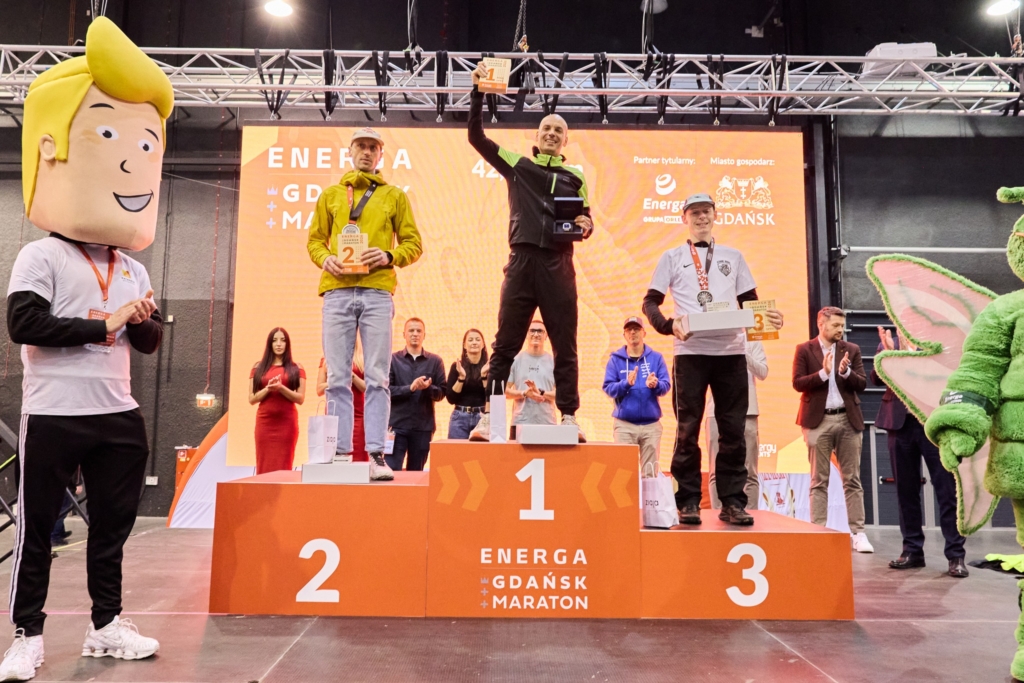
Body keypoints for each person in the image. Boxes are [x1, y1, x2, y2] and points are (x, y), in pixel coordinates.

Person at [1, 17, 169, 679]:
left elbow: (147, 342)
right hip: (54, 411)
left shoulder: (132, 266)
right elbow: (23, 323)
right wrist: (103, 324)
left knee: (113, 529)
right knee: (38, 527)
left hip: (117, 412)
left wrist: (142, 320)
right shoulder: (40, 254)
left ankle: (105, 624)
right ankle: (26, 635)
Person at [466, 62, 594, 443]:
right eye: (546, 129)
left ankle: (568, 417)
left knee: (566, 344)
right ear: (536, 138)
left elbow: (585, 220)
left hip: (559, 263)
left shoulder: (576, 177)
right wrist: (477, 94)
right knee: (504, 344)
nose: (552, 133)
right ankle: (489, 417)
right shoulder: (518, 165)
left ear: (565, 141)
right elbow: (476, 137)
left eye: (558, 130)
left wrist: (586, 225)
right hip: (521, 261)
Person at [642, 193, 784, 527]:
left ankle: (733, 502)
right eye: (694, 212)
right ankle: (688, 501)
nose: (701, 217)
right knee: (687, 429)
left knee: (733, 430)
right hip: (690, 353)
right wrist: (668, 325)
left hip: (731, 353)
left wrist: (769, 319)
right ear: (684, 218)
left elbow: (750, 301)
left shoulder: (734, 256)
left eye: (706, 211)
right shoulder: (671, 257)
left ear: (715, 215)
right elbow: (650, 302)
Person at [307, 126, 423, 481]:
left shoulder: (394, 196)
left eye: (374, 147)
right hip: (337, 292)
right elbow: (314, 241)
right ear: (351, 151)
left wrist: (389, 256)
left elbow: (413, 244)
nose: (367, 152)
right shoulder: (330, 195)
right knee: (338, 378)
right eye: (361, 146)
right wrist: (324, 258)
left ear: (381, 154)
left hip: (376, 292)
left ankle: (375, 455)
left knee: (377, 378)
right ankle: (340, 454)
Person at [873, 327, 967, 576]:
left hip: (934, 423)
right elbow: (876, 378)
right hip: (899, 424)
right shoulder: (890, 343)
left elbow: (947, 376)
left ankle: (956, 555)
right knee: (906, 491)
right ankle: (912, 550)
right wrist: (889, 357)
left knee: (948, 491)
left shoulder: (940, 343)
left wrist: (912, 355)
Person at [792, 307, 873, 553]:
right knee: (818, 480)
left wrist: (845, 372)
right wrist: (823, 373)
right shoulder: (804, 349)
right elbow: (797, 383)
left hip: (848, 420)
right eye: (836, 325)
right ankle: (818, 532)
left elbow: (862, 384)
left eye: (842, 325)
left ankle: (858, 533)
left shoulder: (852, 349)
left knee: (852, 479)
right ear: (821, 324)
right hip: (818, 421)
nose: (841, 330)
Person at [602, 316, 671, 475]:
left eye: (636, 329)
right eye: (629, 330)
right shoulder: (615, 360)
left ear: (644, 333)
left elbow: (666, 386)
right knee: (623, 474)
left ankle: (649, 493)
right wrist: (626, 384)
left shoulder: (656, 358)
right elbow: (608, 388)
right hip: (624, 426)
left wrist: (655, 385)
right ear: (624, 335)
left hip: (651, 426)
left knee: (650, 474)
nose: (633, 332)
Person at [708, 340, 768, 510]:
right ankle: (717, 517)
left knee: (750, 471)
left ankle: (751, 516)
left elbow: (763, 372)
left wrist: (743, 351)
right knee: (715, 471)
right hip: (715, 410)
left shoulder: (753, 341)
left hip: (748, 410)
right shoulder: (714, 339)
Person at [387, 318, 446, 471]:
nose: (415, 334)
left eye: (419, 331)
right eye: (411, 330)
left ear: (424, 335)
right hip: (396, 426)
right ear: (404, 334)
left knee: (416, 473)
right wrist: (410, 388)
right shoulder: (392, 360)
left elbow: (441, 393)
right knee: (391, 472)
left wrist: (427, 388)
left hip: (423, 427)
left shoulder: (435, 361)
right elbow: (386, 391)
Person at [248, 328, 306, 474]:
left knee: (284, 465)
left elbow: (300, 398)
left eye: (282, 340)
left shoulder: (296, 368)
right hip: (265, 423)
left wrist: (281, 388)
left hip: (287, 423)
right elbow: (252, 399)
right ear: (270, 344)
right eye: (275, 340)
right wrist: (268, 389)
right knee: (263, 464)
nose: (279, 344)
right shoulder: (258, 367)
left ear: (287, 344)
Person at [316, 337, 368, 462]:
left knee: (358, 456)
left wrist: (351, 375)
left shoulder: (362, 359)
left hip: (358, 414)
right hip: (334, 414)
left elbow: (366, 387)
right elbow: (319, 389)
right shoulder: (327, 359)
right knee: (334, 456)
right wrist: (337, 380)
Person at [506, 320, 558, 440]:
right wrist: (524, 393)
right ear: (526, 334)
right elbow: (504, 391)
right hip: (520, 423)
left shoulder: (554, 362)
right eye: (532, 331)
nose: (536, 334)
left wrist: (541, 393)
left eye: (540, 331)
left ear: (546, 335)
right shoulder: (516, 360)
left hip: (547, 423)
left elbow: (562, 394)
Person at [446, 329, 489, 439]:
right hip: (460, 418)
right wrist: (461, 378)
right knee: (457, 450)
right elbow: (451, 399)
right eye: (470, 340)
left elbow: (492, 398)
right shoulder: (456, 367)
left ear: (483, 344)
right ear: (464, 345)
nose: (474, 342)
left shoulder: (490, 367)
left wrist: (484, 376)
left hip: (483, 418)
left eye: (477, 340)